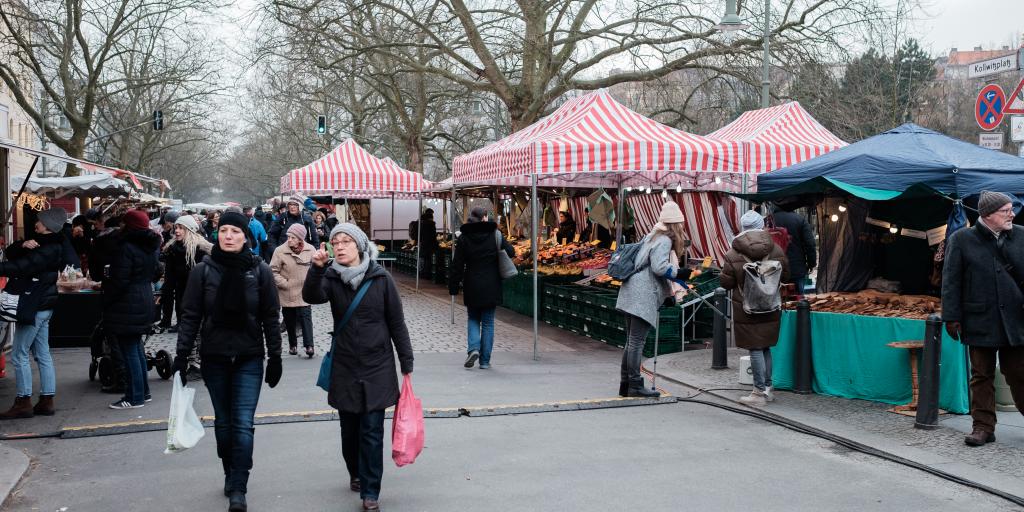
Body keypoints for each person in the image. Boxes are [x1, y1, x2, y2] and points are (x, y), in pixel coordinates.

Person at [173, 211, 282, 512]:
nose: (229, 236)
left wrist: (275, 356)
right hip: (215, 356)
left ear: (246, 236)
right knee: (224, 424)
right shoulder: (203, 271)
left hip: (249, 356)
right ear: (217, 234)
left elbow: (271, 316)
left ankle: (238, 485)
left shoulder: (259, 271)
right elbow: (190, 315)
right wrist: (181, 356)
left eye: (235, 231)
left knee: (243, 424)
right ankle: (229, 469)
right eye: (224, 230)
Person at [303, 222, 413, 512]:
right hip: (346, 364)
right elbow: (311, 297)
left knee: (372, 430)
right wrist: (315, 269)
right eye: (334, 242)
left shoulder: (381, 279)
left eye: (345, 241)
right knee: (349, 430)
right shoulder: (330, 277)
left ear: (360, 246)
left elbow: (396, 323)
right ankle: (355, 471)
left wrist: (407, 361)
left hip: (378, 364)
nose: (338, 246)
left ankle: (371, 489)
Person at [942, 190, 1024, 447]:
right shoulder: (962, 239)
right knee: (981, 375)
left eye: (1012, 209)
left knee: (1020, 373)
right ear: (988, 215)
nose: (1012, 214)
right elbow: (951, 280)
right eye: (1006, 210)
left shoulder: (1021, 236)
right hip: (980, 318)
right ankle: (983, 427)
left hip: (1016, 318)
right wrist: (951, 317)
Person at [615, 202, 690, 397]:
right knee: (637, 342)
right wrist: (680, 272)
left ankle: (626, 383)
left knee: (631, 341)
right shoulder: (664, 240)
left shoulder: (652, 236)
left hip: (631, 290)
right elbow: (659, 267)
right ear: (676, 224)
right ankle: (634, 385)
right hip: (642, 294)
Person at [0, 208, 68, 420]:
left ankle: (23, 401)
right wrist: (22, 244)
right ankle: (46, 400)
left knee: (19, 354)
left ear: (47, 226)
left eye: (39, 221)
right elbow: (13, 254)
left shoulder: (46, 249)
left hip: (33, 306)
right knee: (42, 354)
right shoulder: (46, 244)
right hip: (43, 306)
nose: (36, 224)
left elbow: (21, 267)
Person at [720, 210, 790, 407]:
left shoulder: (733, 253)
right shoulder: (776, 249)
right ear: (761, 226)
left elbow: (726, 283)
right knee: (765, 345)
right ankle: (768, 387)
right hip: (770, 304)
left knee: (755, 347)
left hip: (747, 306)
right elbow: (786, 277)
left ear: (742, 228)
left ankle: (758, 392)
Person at [103, 209, 162, 409]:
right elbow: (156, 271)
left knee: (129, 351)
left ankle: (134, 396)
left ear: (128, 226)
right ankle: (143, 392)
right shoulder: (151, 246)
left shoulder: (126, 247)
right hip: (144, 296)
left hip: (127, 301)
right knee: (135, 348)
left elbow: (120, 280)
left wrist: (108, 299)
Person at [448, 207, 514, 369]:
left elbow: (457, 265)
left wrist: (453, 287)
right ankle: (485, 361)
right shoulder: (495, 235)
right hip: (491, 284)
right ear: (484, 218)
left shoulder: (464, 237)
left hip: (472, 283)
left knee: (473, 318)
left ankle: (473, 349)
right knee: (488, 323)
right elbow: (511, 252)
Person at [162, 215, 213, 337]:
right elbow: (170, 272)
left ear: (189, 230)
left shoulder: (200, 248)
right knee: (180, 301)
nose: (177, 231)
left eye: (181, 228)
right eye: (176, 228)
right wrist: (168, 286)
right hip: (180, 282)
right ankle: (181, 322)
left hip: (197, 286)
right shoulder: (171, 248)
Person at [271, 224, 316, 357]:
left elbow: (316, 269)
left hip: (304, 291)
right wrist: (285, 283)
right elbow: (272, 271)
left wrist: (312, 283)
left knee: (306, 318)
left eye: (293, 237)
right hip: (287, 291)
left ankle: (309, 346)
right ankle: (293, 345)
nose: (289, 239)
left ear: (300, 239)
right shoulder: (280, 251)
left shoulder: (310, 250)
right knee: (289, 319)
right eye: (288, 237)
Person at [769, 204, 816, 291]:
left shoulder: (768, 221)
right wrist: (811, 263)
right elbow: (810, 244)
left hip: (773, 269)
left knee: (775, 300)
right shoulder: (800, 220)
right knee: (799, 301)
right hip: (796, 268)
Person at [157, 210, 182, 330]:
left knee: (179, 296)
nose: (165, 224)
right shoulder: (167, 233)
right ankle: (166, 319)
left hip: (178, 270)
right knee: (167, 294)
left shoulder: (177, 233)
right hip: (170, 269)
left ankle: (179, 322)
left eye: (166, 222)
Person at [409, 209, 437, 279]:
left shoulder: (420, 223)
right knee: (428, 259)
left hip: (422, 243)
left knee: (423, 258)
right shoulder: (431, 224)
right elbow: (433, 235)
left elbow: (419, 234)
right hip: (430, 244)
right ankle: (426, 274)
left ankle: (421, 273)